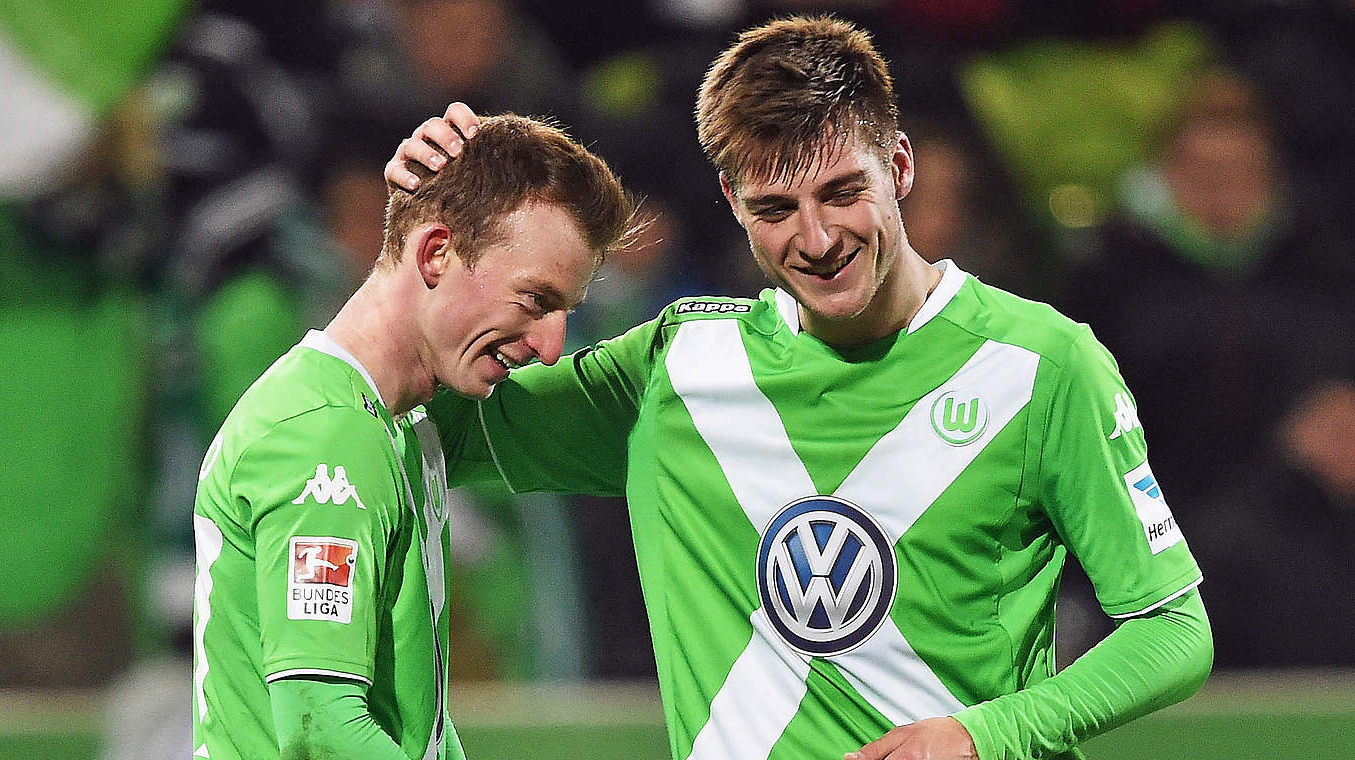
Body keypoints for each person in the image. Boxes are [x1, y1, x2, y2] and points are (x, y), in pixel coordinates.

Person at [390, 17, 1212, 760]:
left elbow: (1174, 628)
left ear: (899, 165)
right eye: (775, 208)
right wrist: (414, 245)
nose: (816, 239)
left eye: (843, 193)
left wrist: (987, 731)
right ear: (732, 202)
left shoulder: (1043, 364)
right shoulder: (678, 370)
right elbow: (425, 423)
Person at [192, 112, 634, 760]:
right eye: (536, 301)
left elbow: (405, 723)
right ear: (435, 254)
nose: (550, 346)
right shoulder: (325, 438)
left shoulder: (407, 418)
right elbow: (319, 730)